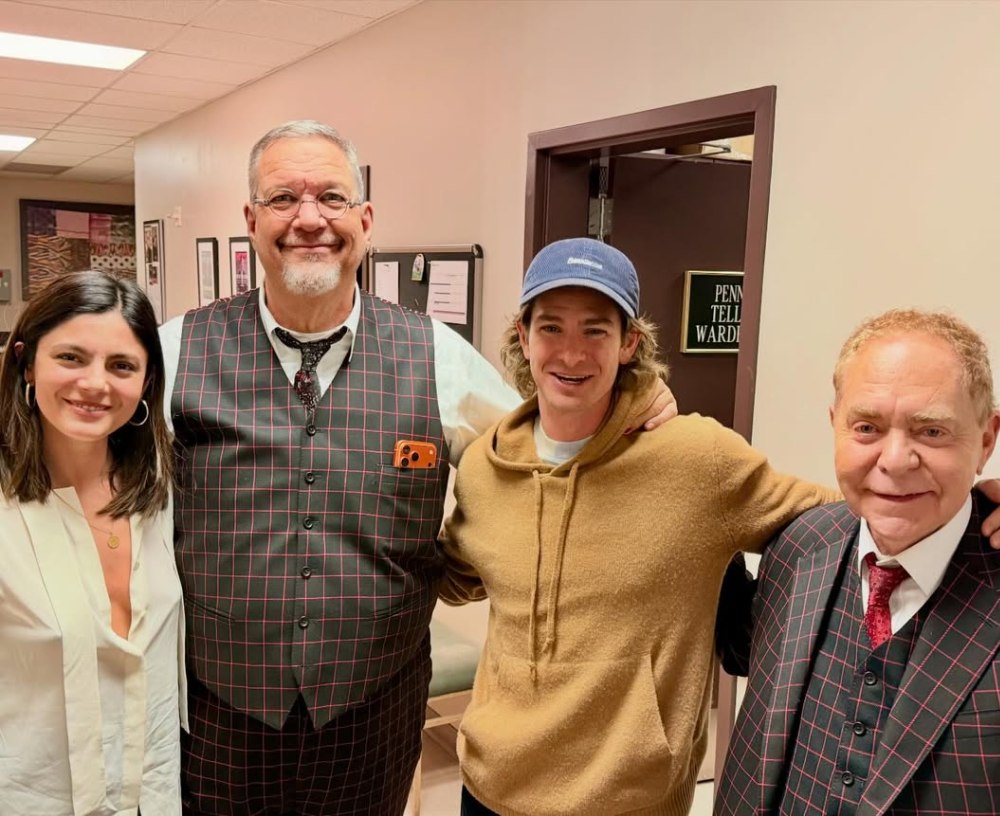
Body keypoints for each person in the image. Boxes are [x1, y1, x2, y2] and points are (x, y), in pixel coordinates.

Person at [159, 120, 676, 816]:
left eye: (332, 199)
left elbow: (543, 456)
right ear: (251, 220)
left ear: (365, 220)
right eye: (284, 199)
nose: (310, 219)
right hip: (218, 711)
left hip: (374, 713)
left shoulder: (436, 354)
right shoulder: (175, 352)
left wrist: (633, 401)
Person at [438, 242, 1000, 816]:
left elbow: (857, 510)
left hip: (627, 800)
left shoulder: (696, 459)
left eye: (595, 329)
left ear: (628, 344)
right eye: (551, 328)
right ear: (523, 335)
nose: (571, 352)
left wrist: (979, 497)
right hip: (491, 784)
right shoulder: (487, 469)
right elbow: (457, 574)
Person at [716, 310, 1000, 816]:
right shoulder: (798, 547)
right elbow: (746, 650)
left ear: (987, 440)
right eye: (867, 427)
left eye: (932, 432)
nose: (895, 460)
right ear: (834, 424)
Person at [0, 271, 185, 816]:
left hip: (149, 790)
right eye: (71, 357)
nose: (95, 383)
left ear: (148, 382)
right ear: (26, 362)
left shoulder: (160, 486)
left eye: (121, 365)